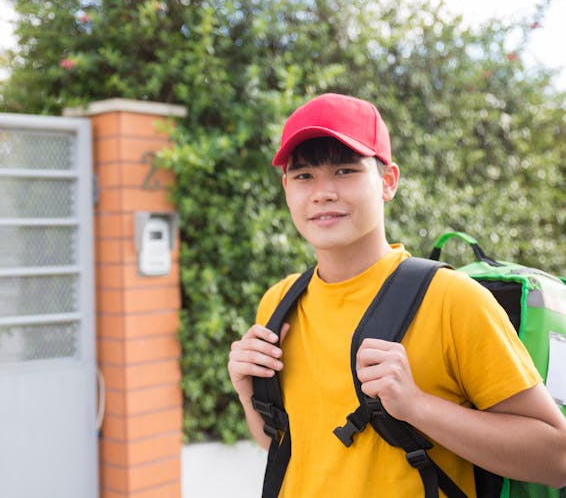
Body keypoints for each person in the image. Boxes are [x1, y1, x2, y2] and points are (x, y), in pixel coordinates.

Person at [227, 93, 566, 496]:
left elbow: (556, 460)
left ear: (388, 182)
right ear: (286, 188)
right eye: (303, 176)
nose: (322, 192)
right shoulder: (279, 303)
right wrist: (248, 393)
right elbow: (289, 448)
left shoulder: (451, 300)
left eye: (344, 171)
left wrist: (416, 406)